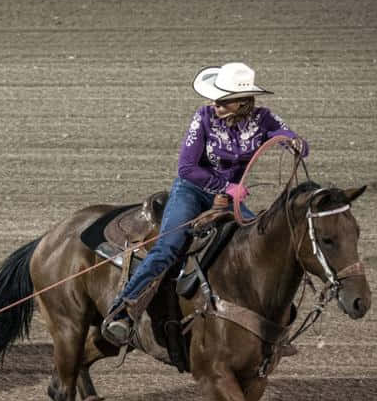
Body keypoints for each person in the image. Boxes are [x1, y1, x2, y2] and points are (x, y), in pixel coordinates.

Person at [101, 62, 307, 346]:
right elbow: (186, 168)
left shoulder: (264, 119)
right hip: (192, 192)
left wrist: (294, 143)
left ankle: (264, 316)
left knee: (257, 241)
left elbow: (291, 139)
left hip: (230, 198)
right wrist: (226, 187)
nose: (215, 103)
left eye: (223, 99)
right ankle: (123, 311)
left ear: (242, 102)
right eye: (215, 97)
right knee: (168, 246)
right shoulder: (204, 118)